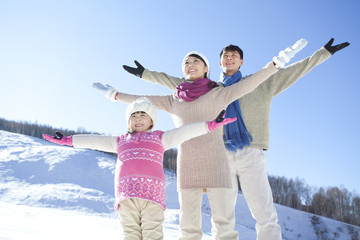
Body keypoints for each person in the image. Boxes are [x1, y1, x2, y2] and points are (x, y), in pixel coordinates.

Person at [121, 38, 350, 240]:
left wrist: (323, 53)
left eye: (234, 56)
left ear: (241, 62)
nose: (229, 58)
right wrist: (146, 74)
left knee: (263, 210)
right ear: (219, 63)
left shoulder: (262, 82)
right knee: (223, 213)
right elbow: (178, 84)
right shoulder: (210, 89)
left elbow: (294, 70)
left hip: (251, 152)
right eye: (225, 56)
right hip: (219, 154)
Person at [92, 41, 301, 240]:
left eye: (195, 61)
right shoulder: (174, 99)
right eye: (186, 62)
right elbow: (143, 101)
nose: (190, 65)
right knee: (188, 224)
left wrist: (277, 62)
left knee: (224, 224)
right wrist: (115, 95)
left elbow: (250, 84)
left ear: (206, 68)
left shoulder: (219, 93)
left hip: (218, 162)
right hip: (188, 163)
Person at [43, 97, 236, 240]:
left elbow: (185, 132)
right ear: (128, 121)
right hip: (127, 197)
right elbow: (94, 140)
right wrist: (68, 140)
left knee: (152, 234)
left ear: (151, 120)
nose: (138, 118)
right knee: (130, 235)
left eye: (143, 115)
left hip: (152, 197)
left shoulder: (160, 138)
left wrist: (210, 125)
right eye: (134, 115)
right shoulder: (119, 141)